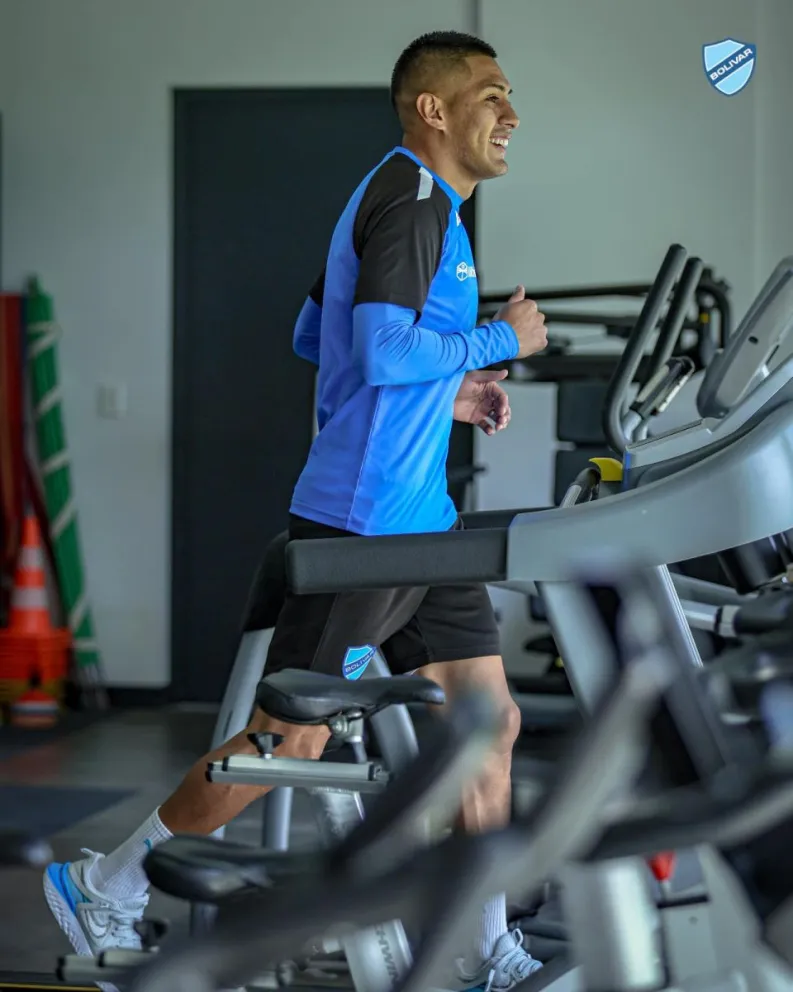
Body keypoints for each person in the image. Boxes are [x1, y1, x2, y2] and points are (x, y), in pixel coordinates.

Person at [44, 29, 548, 992]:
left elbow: (317, 332)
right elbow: (385, 351)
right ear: (432, 109)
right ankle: (103, 881)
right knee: (291, 739)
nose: (510, 113)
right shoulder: (407, 199)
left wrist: (449, 395)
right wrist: (501, 339)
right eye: (490, 95)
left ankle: (486, 949)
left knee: (491, 719)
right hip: (365, 524)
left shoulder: (416, 201)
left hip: (420, 521)